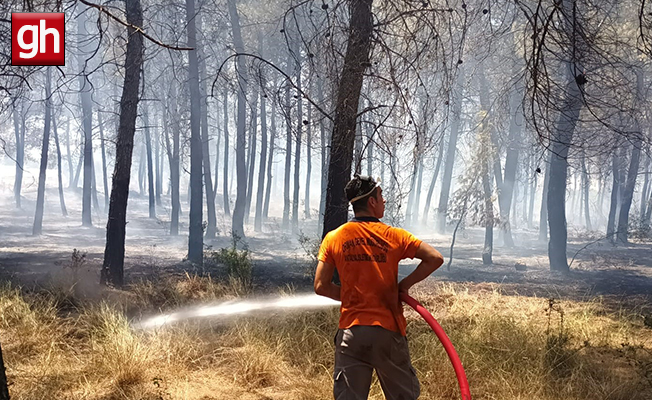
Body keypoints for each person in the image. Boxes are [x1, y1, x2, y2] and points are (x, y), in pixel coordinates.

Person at [314, 175, 445, 400]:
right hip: (388, 333)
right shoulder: (394, 236)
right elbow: (435, 258)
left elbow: (320, 286)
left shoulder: (334, 238)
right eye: (381, 195)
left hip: (351, 334)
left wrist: (350, 296)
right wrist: (403, 286)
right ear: (372, 202)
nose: (384, 201)